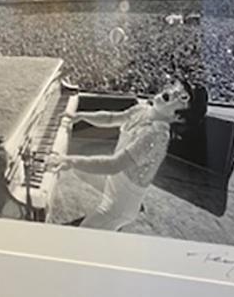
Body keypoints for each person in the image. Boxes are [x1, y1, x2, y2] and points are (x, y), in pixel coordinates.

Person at [47, 78, 208, 232]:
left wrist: (69, 160)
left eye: (182, 97)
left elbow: (114, 165)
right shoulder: (143, 109)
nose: (173, 91)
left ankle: (126, 213)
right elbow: (111, 118)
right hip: (115, 181)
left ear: (178, 117)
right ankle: (135, 206)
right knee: (81, 169)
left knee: (83, 234)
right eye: (176, 87)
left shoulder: (156, 135)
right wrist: (82, 116)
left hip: (120, 204)